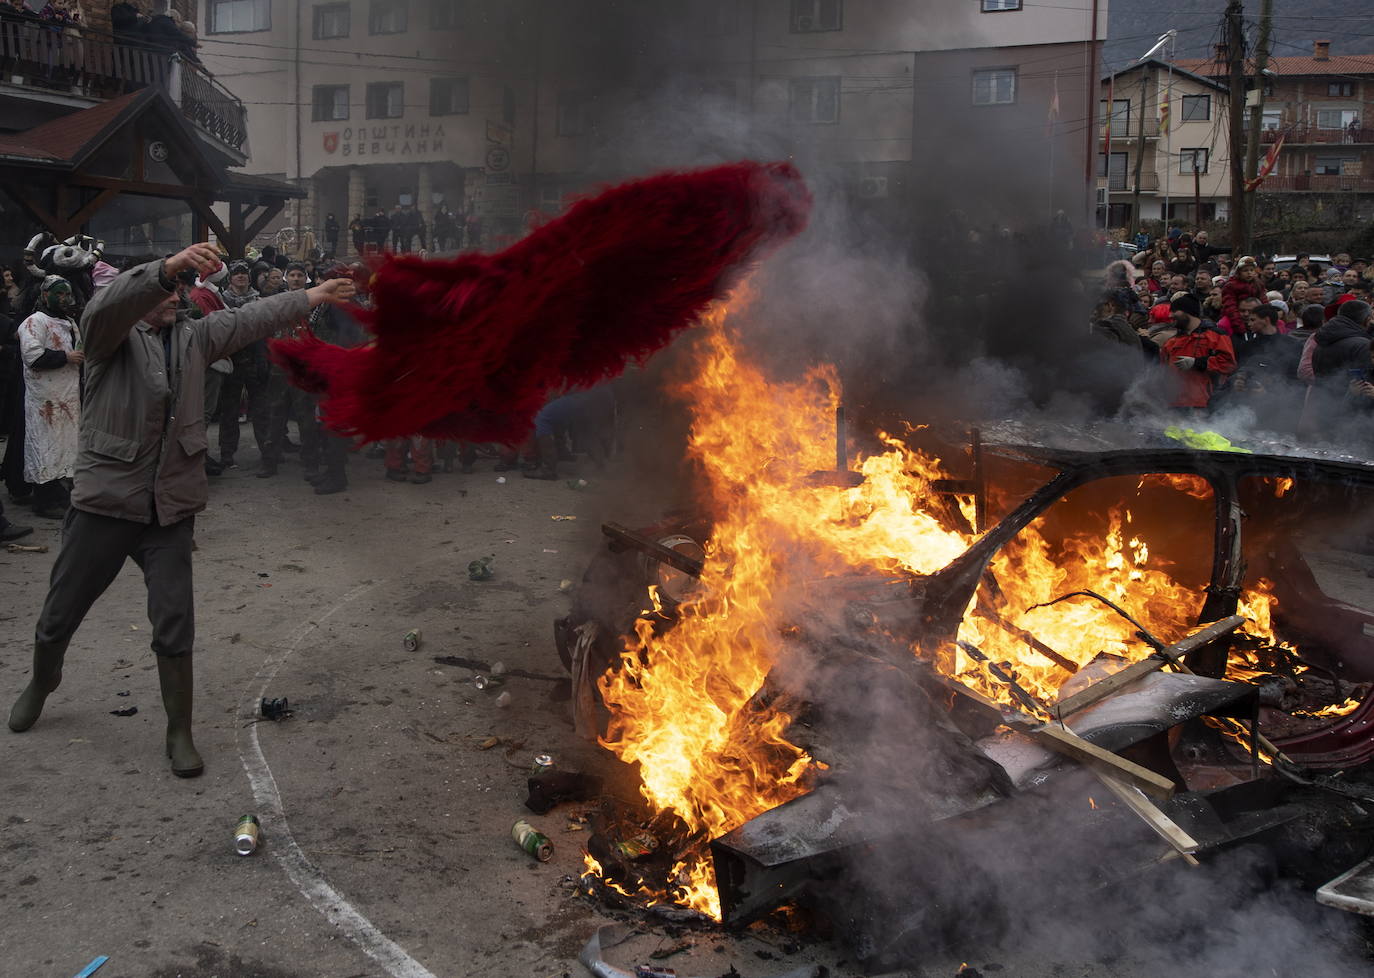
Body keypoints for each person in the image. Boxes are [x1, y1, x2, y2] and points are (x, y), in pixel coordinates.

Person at [6, 243, 356, 777]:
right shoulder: (107, 337)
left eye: (176, 290)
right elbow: (105, 307)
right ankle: (42, 680)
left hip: (168, 508)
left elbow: (250, 317)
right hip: (106, 502)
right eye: (164, 290)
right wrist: (166, 268)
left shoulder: (195, 337)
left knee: (174, 620)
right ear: (139, 295)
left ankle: (178, 730)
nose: (174, 297)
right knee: (61, 610)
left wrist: (309, 294)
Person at [17, 276, 82, 519]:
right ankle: (43, 500)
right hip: (45, 399)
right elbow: (33, 357)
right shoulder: (34, 322)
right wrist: (66, 357)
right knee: (44, 447)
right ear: (45, 295)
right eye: (59, 293)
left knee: (65, 446)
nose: (64, 298)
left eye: (67, 293)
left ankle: (60, 493)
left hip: (68, 396)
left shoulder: (70, 323)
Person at [257, 263, 319, 479]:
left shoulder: (315, 301)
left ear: (306, 278)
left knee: (306, 418)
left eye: (299, 275)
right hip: (279, 367)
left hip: (304, 368)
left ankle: (311, 462)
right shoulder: (278, 302)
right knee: (275, 416)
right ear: (285, 278)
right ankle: (269, 462)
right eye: (291, 275)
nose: (295, 279)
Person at [1161, 294, 1236, 411]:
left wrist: (1197, 363)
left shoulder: (1216, 336)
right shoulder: (1171, 342)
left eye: (1174, 311)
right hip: (1173, 406)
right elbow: (1163, 371)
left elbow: (1228, 364)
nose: (1170, 315)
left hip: (1205, 405)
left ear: (1188, 312)